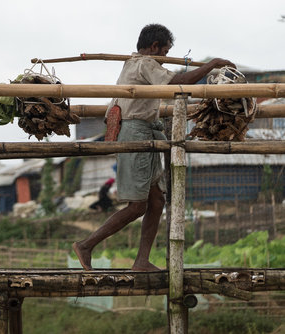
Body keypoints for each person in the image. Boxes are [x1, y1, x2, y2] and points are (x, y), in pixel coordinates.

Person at [73, 23, 234, 271]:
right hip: (135, 133)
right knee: (138, 206)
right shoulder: (145, 64)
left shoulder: (132, 63)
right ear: (155, 47)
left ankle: (141, 261)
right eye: (166, 52)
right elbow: (178, 83)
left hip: (141, 131)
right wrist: (211, 64)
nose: (166, 58)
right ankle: (86, 245)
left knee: (156, 201)